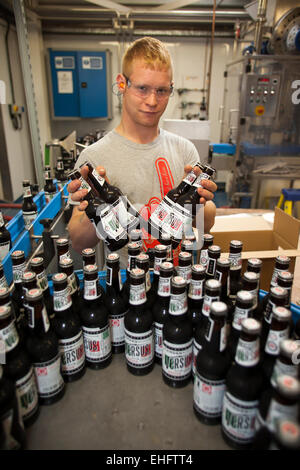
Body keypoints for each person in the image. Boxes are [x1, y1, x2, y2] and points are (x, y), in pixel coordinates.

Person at [67, 37, 217, 266]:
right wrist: (96, 208)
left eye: (162, 90)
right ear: (121, 84)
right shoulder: (93, 158)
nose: (152, 101)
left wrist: (198, 203)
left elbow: (207, 223)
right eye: (142, 88)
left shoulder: (184, 150)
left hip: (177, 281)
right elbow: (79, 244)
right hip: (127, 286)